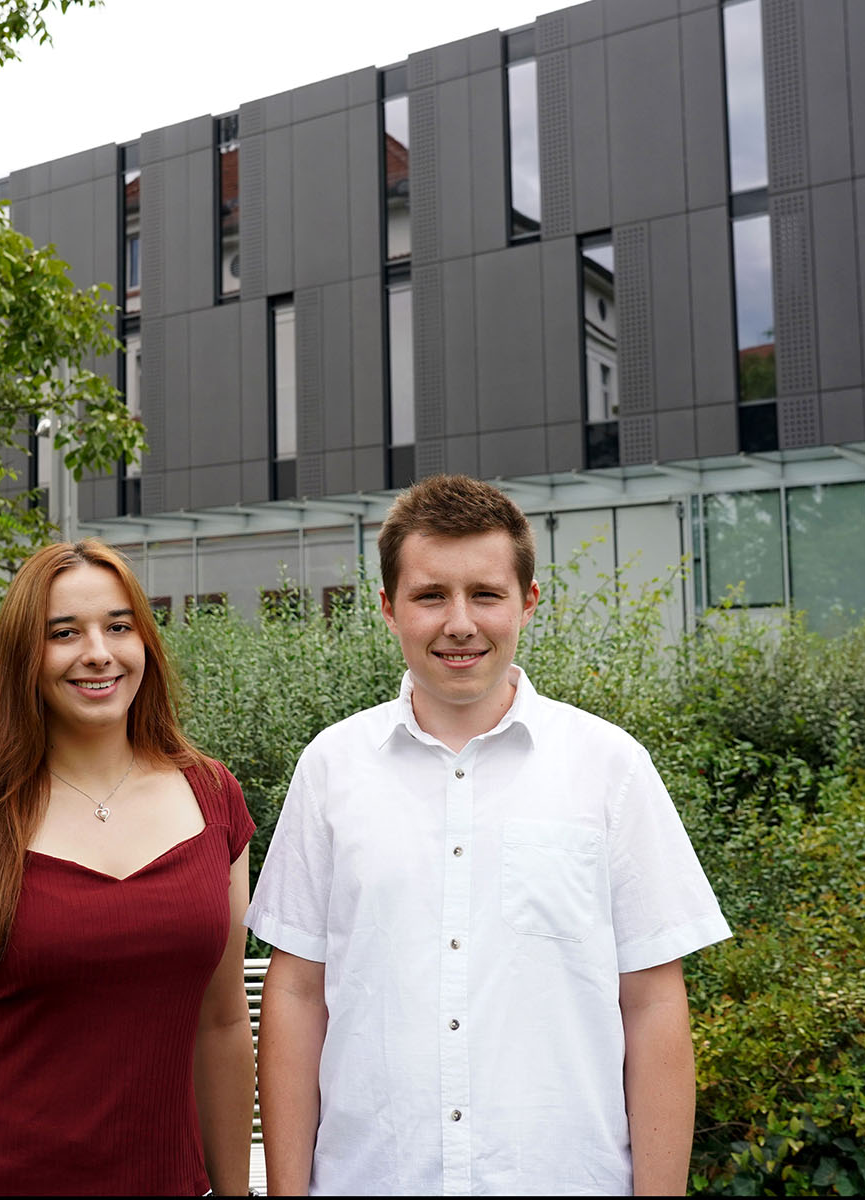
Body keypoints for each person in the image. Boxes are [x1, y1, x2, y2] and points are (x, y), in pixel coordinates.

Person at [247, 474, 731, 1195]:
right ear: (387, 608)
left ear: (528, 602)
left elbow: (654, 1003)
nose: (460, 622)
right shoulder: (331, 768)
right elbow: (296, 994)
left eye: (485, 594)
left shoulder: (611, 768)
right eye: (430, 595)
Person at [0, 539, 256, 1196]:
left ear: (146, 643)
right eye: (64, 633)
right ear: (24, 656)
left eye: (119, 627)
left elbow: (223, 1023)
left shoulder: (213, 798)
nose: (98, 652)